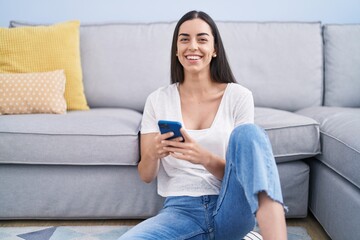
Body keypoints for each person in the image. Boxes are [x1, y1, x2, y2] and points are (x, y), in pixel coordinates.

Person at [119, 10, 287, 240]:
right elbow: (146, 175)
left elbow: (244, 172)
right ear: (176, 50)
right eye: (184, 39)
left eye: (202, 39)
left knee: (249, 134)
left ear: (215, 49)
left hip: (230, 207)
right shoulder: (157, 100)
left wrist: (203, 157)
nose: (193, 46)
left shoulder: (239, 96)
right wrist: (153, 153)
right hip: (180, 211)